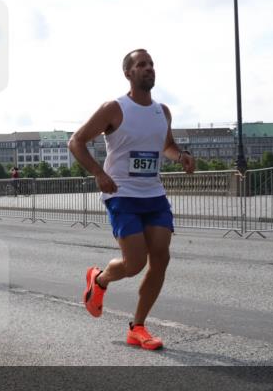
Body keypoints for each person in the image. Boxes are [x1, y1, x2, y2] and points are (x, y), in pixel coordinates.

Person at [68, 48, 195, 350]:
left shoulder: (162, 111)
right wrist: (98, 172)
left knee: (161, 257)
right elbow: (76, 141)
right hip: (121, 193)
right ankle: (99, 279)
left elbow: (167, 146)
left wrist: (182, 157)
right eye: (141, 64)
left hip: (154, 194)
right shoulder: (115, 108)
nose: (149, 68)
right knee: (135, 263)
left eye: (151, 64)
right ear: (128, 73)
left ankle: (137, 326)